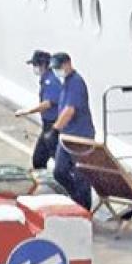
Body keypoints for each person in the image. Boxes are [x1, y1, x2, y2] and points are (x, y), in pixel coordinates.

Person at [47, 53, 94, 210]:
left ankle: (83, 206)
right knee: (59, 171)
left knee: (81, 175)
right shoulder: (66, 82)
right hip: (67, 136)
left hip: (80, 136)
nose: (56, 71)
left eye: (58, 67)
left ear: (68, 64)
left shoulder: (76, 83)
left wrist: (54, 129)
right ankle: (76, 198)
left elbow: (69, 110)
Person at [15, 50, 62, 169]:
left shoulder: (51, 81)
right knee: (39, 159)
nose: (35, 68)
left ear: (44, 65)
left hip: (54, 125)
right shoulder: (46, 79)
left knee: (59, 159)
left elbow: (48, 103)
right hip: (47, 125)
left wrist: (28, 111)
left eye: (36, 65)